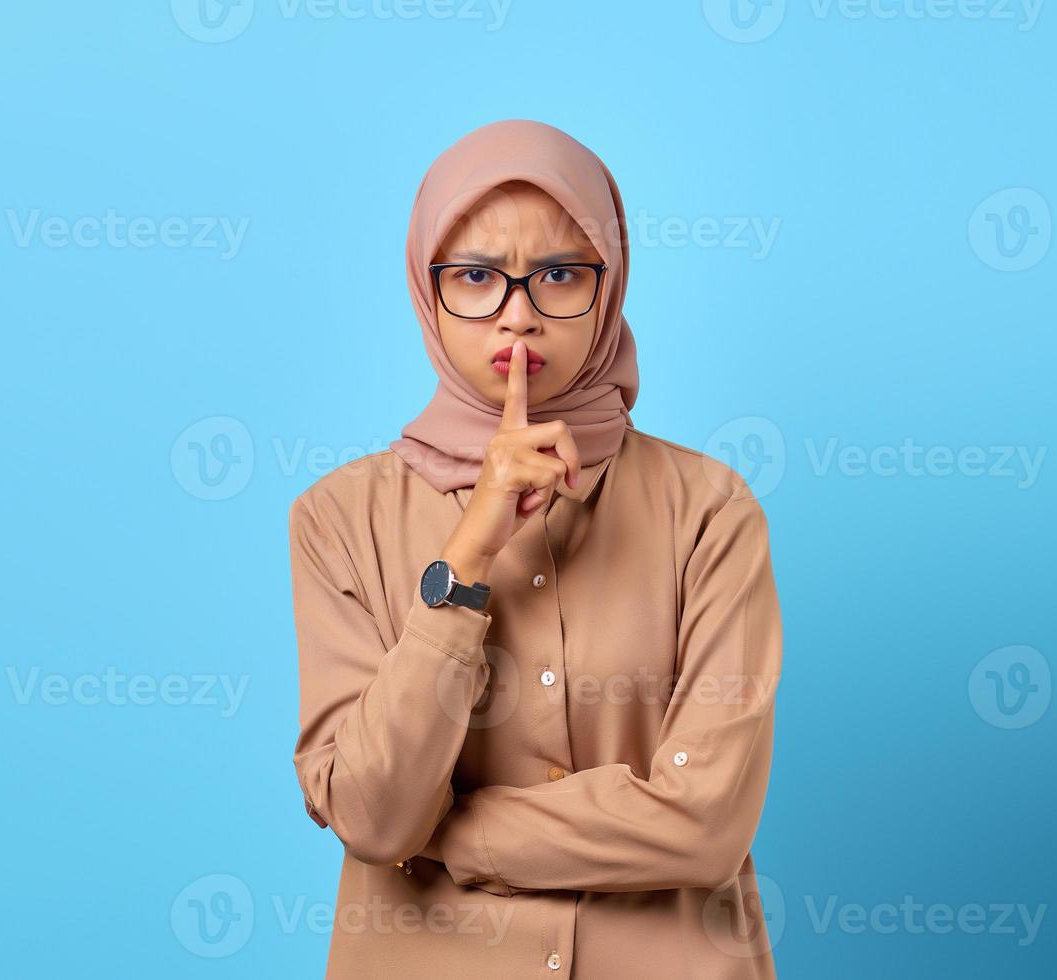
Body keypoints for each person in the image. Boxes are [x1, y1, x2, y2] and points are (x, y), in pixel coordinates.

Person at [288, 118, 782, 978]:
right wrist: (467, 561)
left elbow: (704, 823)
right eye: (476, 276)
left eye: (559, 274)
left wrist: (449, 834)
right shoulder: (339, 519)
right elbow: (373, 817)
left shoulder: (708, 511)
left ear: (610, 283)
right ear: (426, 289)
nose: (517, 313)